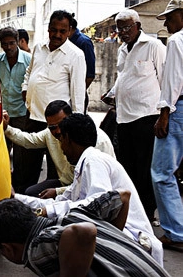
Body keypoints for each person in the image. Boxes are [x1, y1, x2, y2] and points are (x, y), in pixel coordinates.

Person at [13, 113, 164, 265]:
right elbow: (60, 202)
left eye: (61, 140)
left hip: (134, 241)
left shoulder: (94, 161)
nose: (61, 147)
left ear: (68, 139)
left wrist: (46, 212)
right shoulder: (85, 164)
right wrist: (17, 198)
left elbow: (98, 204)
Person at [0, 191, 170, 276]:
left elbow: (83, 232)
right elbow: (122, 197)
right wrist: (107, 247)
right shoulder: (77, 214)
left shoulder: (36, 249)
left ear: (7, 248)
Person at [102, 9, 166, 223]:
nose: (122, 32)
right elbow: (124, 77)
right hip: (124, 118)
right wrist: (112, 94)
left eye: (127, 27)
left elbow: (166, 81)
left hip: (147, 117)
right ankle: (132, 213)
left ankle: (148, 214)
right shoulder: (122, 49)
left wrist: (164, 115)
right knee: (126, 168)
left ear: (138, 25)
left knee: (144, 169)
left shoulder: (153, 46)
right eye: (119, 28)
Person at [22, 10, 86, 186]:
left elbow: (78, 93)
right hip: (33, 115)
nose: (57, 35)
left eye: (62, 31)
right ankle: (26, 206)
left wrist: (75, 125)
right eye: (53, 30)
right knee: (26, 167)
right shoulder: (39, 47)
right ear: (48, 29)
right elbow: (29, 72)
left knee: (55, 172)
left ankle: (51, 209)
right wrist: (25, 88)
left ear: (70, 31)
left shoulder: (76, 55)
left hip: (58, 124)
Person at [3, 100, 115, 198]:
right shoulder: (51, 135)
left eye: (61, 125)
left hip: (91, 191)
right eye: (52, 127)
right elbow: (28, 140)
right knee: (32, 193)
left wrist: (57, 193)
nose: (58, 131)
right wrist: (6, 128)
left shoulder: (98, 141)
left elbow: (94, 189)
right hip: (67, 186)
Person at [152, 0, 183, 251]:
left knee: (162, 172)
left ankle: (176, 232)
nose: (168, 24)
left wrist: (165, 114)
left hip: (178, 108)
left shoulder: (177, 41)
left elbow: (172, 80)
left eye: (170, 18)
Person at [0, 27, 33, 193]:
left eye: (11, 43)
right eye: (5, 44)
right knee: (1, 153)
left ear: (18, 42)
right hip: (2, 114)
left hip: (21, 114)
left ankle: (19, 191)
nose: (8, 47)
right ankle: (1, 188)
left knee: (20, 157)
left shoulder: (29, 60)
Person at [69, 17, 96, 113]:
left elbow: (90, 74)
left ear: (70, 28)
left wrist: (78, 92)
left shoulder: (84, 42)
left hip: (77, 95)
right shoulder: (64, 42)